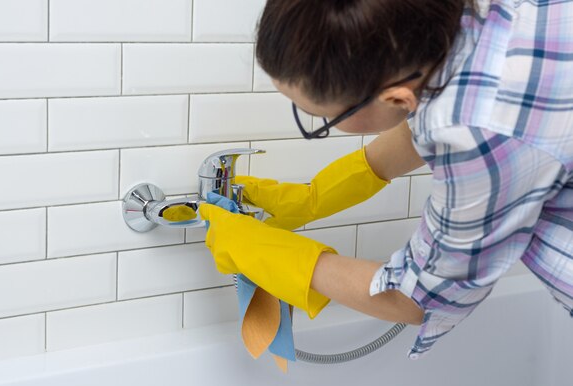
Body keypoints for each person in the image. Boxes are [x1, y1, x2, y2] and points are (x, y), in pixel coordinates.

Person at [198, 0, 573, 358]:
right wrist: (316, 197)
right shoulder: (456, 30)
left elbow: (418, 299)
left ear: (397, 100)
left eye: (320, 119)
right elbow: (440, 108)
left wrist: (279, 257)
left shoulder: (480, 131)